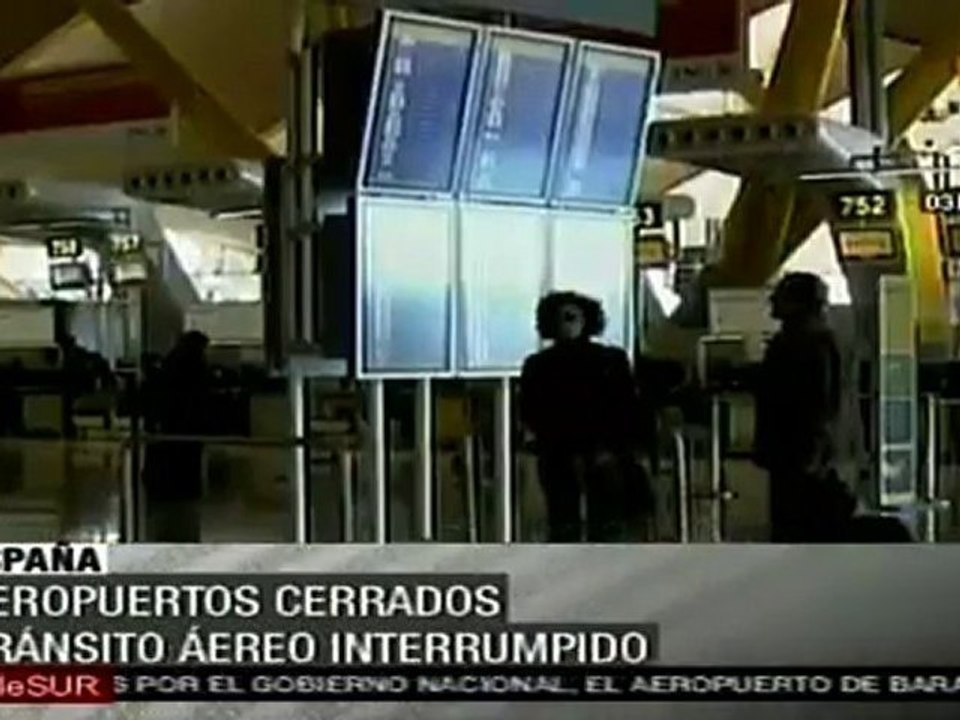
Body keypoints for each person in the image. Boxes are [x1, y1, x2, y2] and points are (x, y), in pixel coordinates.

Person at [519, 291, 651, 542]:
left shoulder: (607, 360)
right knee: (566, 517)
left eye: (571, 317)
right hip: (567, 448)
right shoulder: (542, 364)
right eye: (560, 318)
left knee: (600, 517)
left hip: (594, 448)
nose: (565, 324)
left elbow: (626, 405)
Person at [753, 273, 854, 542]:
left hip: (798, 452)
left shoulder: (804, 342)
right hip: (800, 451)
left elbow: (820, 400)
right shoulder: (813, 339)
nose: (772, 300)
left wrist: (814, 452)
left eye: (781, 295)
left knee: (796, 523)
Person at [142, 331, 213, 542]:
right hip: (183, 444)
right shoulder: (194, 369)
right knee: (182, 517)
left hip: (165, 448)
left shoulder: (169, 367)